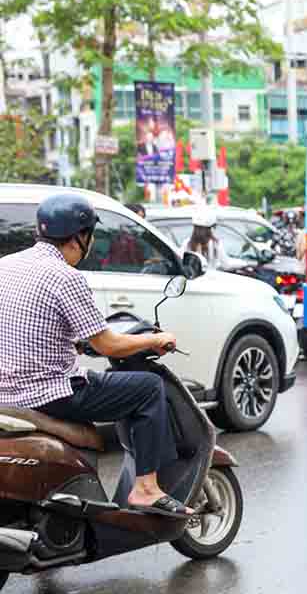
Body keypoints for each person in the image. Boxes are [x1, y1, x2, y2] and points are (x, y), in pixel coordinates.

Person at [0, 193, 190, 516]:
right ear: (79, 237)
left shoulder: (6, 266)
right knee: (148, 389)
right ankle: (145, 488)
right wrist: (154, 340)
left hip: (7, 392)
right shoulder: (66, 277)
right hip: (50, 393)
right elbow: (108, 346)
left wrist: (73, 344)